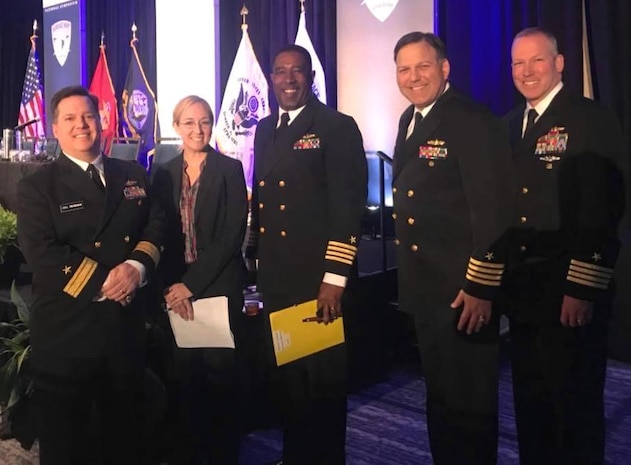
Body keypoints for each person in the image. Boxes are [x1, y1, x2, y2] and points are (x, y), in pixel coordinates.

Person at [16, 85, 165, 465]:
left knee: (123, 441)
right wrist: (108, 282)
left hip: (123, 332)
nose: (81, 125)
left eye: (88, 116)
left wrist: (136, 268)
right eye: (70, 119)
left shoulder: (132, 173)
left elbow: (156, 226)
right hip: (69, 335)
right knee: (68, 447)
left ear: (101, 121)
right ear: (55, 128)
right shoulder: (37, 185)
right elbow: (43, 252)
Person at [501, 27, 626, 465]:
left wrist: (582, 287)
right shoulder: (510, 125)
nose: (526, 71)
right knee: (531, 404)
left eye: (537, 60)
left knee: (573, 405)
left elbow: (603, 209)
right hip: (524, 291)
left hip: (567, 290)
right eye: (518, 62)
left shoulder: (590, 119)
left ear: (559, 63)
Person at [391, 32, 514, 465]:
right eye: (404, 69)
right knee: (442, 397)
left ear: (445, 69)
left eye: (423, 66)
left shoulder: (470, 120)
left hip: (463, 290)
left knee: (470, 403)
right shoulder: (412, 118)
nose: (413, 76)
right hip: (427, 286)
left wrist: (481, 286)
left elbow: (494, 211)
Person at [248, 44, 367, 465]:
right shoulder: (264, 130)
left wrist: (335, 278)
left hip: (317, 281)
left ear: (311, 75)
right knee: (290, 381)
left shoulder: (335, 126)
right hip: (278, 279)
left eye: (297, 71)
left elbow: (346, 208)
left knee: (322, 382)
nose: (289, 79)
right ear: (272, 78)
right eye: (280, 72)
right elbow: (261, 203)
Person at [150, 95, 248, 465]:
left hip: (217, 287)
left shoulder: (230, 169)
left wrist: (191, 285)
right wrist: (173, 288)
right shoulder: (162, 173)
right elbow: (157, 231)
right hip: (174, 289)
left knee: (220, 380)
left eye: (204, 121)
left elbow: (230, 235)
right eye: (189, 122)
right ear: (176, 127)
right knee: (185, 380)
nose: (198, 129)